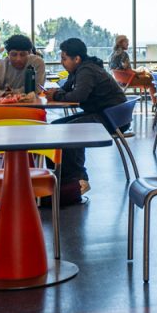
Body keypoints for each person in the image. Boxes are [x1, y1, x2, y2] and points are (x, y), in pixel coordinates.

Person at [46, 38, 128, 198]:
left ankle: (78, 179)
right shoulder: (80, 69)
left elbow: (79, 95)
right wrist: (59, 91)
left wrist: (56, 94)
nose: (62, 62)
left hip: (112, 118)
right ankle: (61, 178)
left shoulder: (87, 70)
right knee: (55, 127)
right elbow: (67, 89)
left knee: (71, 131)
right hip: (104, 113)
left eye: (64, 59)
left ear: (76, 59)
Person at [0, 34, 45, 102]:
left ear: (29, 53)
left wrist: (10, 93)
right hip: (3, 107)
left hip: (31, 105)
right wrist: (5, 94)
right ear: (7, 54)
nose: (18, 59)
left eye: (22, 54)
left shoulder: (37, 63)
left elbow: (38, 88)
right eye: (14, 54)